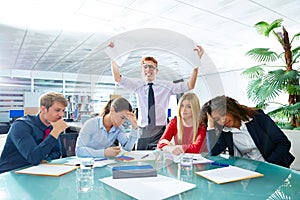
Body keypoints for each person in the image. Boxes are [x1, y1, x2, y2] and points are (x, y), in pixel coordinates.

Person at [108, 42, 204, 150]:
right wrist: (114, 58)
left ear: (156, 70)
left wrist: (196, 67)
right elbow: (117, 78)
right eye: (145, 67)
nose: (148, 70)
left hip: (160, 132)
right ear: (142, 70)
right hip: (143, 131)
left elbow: (190, 85)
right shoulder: (137, 85)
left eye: (151, 67)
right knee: (141, 161)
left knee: (160, 160)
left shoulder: (166, 86)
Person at [201, 95, 295, 168]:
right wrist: (210, 126)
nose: (222, 121)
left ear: (230, 109)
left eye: (223, 114)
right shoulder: (224, 131)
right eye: (217, 119)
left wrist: (267, 165)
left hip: (274, 167)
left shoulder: (257, 117)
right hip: (248, 171)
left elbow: (283, 143)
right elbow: (213, 152)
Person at [0, 92, 68, 173]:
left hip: (36, 170)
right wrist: (55, 132)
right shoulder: (21, 125)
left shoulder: (52, 126)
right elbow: (34, 158)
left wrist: (45, 159)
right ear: (43, 109)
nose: (61, 114)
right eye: (57, 110)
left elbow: (57, 152)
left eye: (63, 110)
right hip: (11, 172)